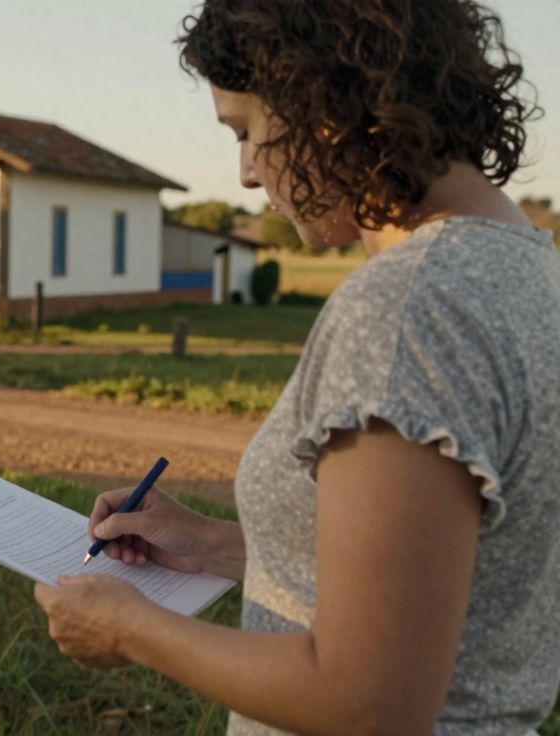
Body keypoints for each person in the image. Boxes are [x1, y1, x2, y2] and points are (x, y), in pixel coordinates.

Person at [34, 1, 560, 734]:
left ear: (324, 98)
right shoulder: (527, 269)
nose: (246, 174)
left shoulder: (408, 307)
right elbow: (438, 589)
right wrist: (213, 545)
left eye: (246, 130)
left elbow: (368, 702)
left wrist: (129, 629)